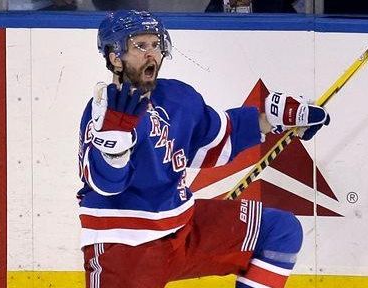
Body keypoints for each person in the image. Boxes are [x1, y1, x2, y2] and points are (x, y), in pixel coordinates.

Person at [77, 10, 329, 288]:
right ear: (115, 57)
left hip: (184, 230)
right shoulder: (103, 112)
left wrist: (274, 119)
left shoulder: (178, 97)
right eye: (140, 45)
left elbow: (216, 143)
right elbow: (105, 185)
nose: (152, 53)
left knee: (279, 230)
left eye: (155, 44)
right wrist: (114, 149)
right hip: (125, 245)